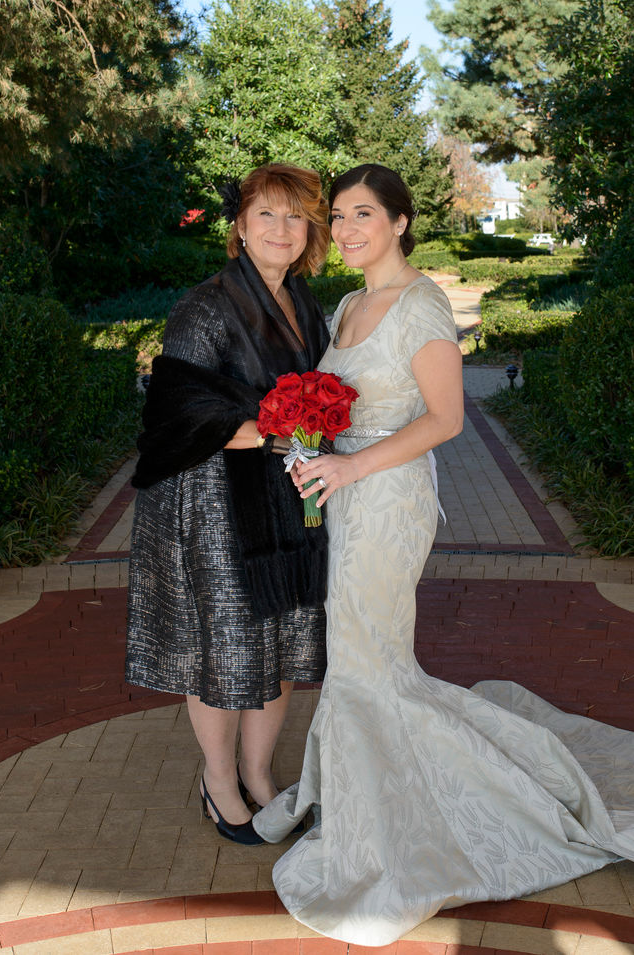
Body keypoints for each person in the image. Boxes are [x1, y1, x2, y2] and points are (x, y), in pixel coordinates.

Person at [252, 164, 634, 945]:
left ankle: (396, 830)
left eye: (365, 214)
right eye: (341, 216)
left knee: (364, 661)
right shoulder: (353, 303)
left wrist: (353, 465)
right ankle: (363, 802)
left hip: (389, 503)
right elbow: (337, 403)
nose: (349, 228)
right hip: (345, 495)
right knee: (364, 659)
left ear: (399, 221)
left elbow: (447, 418)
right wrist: (309, 449)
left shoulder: (419, 303)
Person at [126, 163, 331, 846]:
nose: (280, 229)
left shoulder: (305, 305)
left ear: (310, 231)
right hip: (209, 497)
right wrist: (276, 432)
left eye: (294, 216)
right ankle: (218, 781)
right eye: (265, 215)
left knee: (279, 641)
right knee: (224, 645)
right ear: (239, 226)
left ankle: (259, 772)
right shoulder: (204, 306)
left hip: (284, 495)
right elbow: (175, 411)